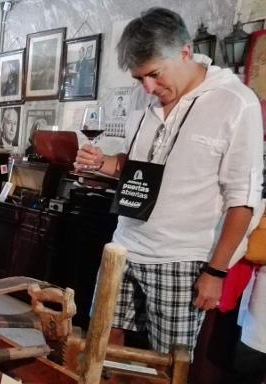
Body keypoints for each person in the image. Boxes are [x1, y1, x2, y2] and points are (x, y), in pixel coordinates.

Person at [74, 7, 263, 357]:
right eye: (138, 79)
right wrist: (103, 163)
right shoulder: (142, 98)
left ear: (185, 52)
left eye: (155, 75)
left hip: (183, 257)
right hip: (125, 245)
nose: (147, 87)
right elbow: (136, 166)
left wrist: (216, 272)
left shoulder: (236, 103)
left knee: (165, 366)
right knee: (100, 344)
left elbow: (242, 200)